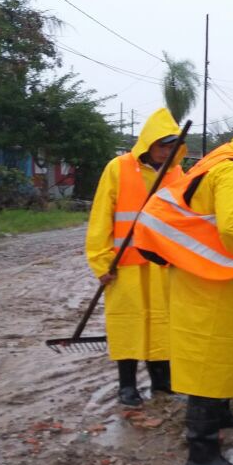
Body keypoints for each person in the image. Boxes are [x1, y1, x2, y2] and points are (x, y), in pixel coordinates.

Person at [132, 116, 233, 465]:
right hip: (211, 285)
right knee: (209, 361)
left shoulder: (225, 161)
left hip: (215, 281)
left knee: (222, 356)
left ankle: (221, 416)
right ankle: (202, 454)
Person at [85, 108, 185, 406]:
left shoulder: (177, 173)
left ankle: (162, 383)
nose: (166, 152)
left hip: (163, 264)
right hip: (124, 265)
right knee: (127, 323)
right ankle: (127, 386)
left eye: (172, 147)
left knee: (162, 323)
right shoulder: (118, 168)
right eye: (162, 146)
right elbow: (101, 218)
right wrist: (101, 262)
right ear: (149, 143)